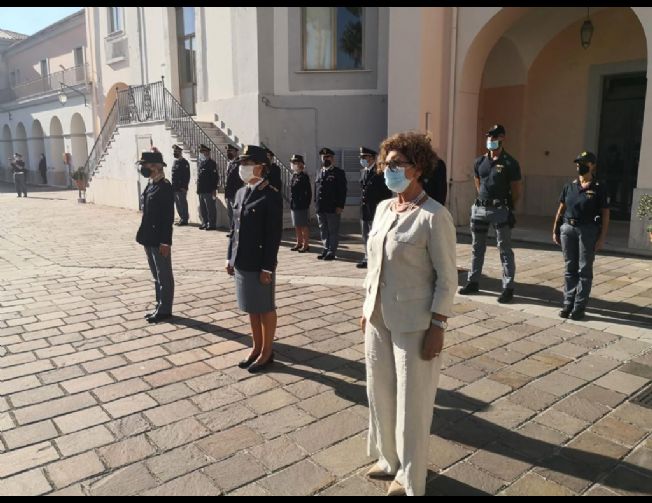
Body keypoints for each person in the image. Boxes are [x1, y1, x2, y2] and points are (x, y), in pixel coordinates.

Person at [360, 131, 457, 497]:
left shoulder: (434, 217)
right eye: (386, 164)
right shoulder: (385, 208)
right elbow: (374, 264)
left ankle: (411, 477)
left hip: (415, 323)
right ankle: (388, 458)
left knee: (412, 401)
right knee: (379, 390)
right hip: (378, 317)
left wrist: (438, 324)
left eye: (396, 164)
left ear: (417, 169)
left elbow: (447, 278)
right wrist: (366, 306)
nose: (388, 170)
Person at [226, 145, 283, 373]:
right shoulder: (241, 193)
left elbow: (273, 235)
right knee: (251, 307)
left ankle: (267, 351)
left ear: (261, 167)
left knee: (265, 307)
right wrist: (230, 258)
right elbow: (234, 228)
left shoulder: (270, 195)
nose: (243, 168)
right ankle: (256, 347)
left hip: (260, 262)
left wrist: (268, 267)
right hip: (242, 260)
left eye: (248, 164)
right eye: (242, 163)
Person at [459, 124, 522, 303]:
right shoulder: (479, 161)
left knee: (504, 249)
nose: (491, 140)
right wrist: (481, 199)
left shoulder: (510, 163)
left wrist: (510, 207)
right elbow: (477, 182)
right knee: (477, 247)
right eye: (489, 137)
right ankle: (473, 281)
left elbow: (516, 190)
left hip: (500, 210)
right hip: (479, 209)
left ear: (502, 138)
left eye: (494, 137)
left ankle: (508, 287)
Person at [552, 151, 610, 320]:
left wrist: (602, 237)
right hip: (568, 230)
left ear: (592, 165)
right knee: (570, 268)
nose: (579, 165)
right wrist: (556, 228)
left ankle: (579, 307)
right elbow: (561, 209)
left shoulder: (599, 187)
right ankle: (567, 303)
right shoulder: (569, 186)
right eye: (578, 162)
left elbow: (605, 214)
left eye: (583, 162)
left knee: (584, 269)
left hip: (588, 231)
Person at [135, 151, 175, 323]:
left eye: (145, 165)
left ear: (155, 167)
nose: (142, 168)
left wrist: (166, 241)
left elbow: (168, 217)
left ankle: (165, 309)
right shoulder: (151, 184)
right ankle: (159, 304)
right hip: (148, 237)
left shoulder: (164, 187)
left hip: (159, 238)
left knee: (164, 275)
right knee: (155, 275)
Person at [358, 146, 392, 268]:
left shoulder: (379, 172)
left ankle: (376, 259)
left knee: (376, 236)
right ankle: (367, 257)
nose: (362, 159)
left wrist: (382, 208)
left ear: (372, 158)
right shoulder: (363, 172)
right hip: (364, 210)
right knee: (365, 235)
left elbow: (387, 193)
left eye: (364, 157)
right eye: (361, 157)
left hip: (375, 210)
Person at [315, 147, 347, 261]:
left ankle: (331, 251)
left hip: (333, 207)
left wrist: (340, 206)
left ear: (332, 158)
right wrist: (316, 204)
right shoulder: (319, 172)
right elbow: (317, 189)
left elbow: (342, 191)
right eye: (323, 157)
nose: (325, 159)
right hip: (321, 207)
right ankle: (325, 248)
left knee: (332, 230)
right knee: (323, 229)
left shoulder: (338, 173)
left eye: (328, 157)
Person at [289, 154, 312, 253]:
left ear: (301, 164)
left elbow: (309, 192)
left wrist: (306, 204)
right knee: (297, 225)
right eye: (293, 162)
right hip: (294, 204)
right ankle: (299, 243)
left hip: (302, 205)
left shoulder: (304, 176)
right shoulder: (294, 175)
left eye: (296, 163)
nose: (294, 164)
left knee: (303, 225)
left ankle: (306, 245)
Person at [196, 143, 219, 230]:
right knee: (203, 208)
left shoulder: (211, 163)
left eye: (203, 151)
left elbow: (215, 177)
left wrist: (214, 189)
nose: (201, 153)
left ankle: (212, 224)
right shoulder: (202, 163)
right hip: (201, 190)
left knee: (210, 208)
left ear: (207, 152)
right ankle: (205, 222)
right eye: (201, 152)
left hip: (209, 190)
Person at [224, 144, 243, 236]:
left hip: (236, 191)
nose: (228, 153)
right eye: (227, 151)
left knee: (236, 213)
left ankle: (237, 231)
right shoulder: (230, 163)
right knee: (230, 213)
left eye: (230, 151)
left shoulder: (239, 163)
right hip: (229, 192)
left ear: (236, 152)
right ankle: (232, 230)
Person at [171, 144, 190, 226]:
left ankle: (185, 219)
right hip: (175, 187)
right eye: (174, 151)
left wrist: (185, 187)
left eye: (176, 151)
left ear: (180, 152)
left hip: (181, 188)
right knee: (178, 204)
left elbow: (187, 176)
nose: (175, 153)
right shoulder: (175, 162)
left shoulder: (184, 163)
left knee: (183, 203)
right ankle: (181, 218)